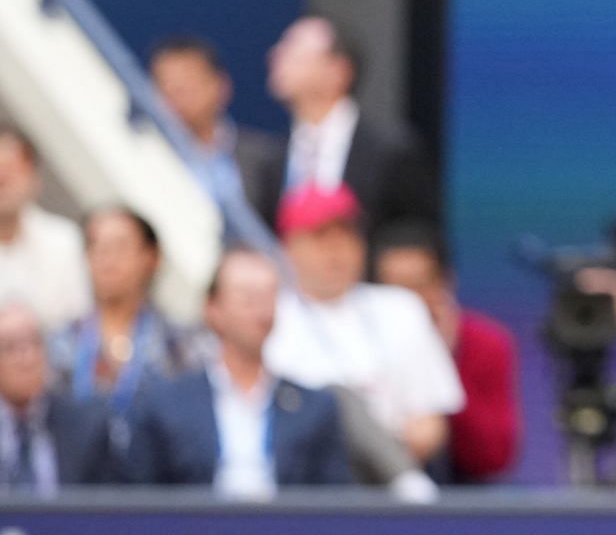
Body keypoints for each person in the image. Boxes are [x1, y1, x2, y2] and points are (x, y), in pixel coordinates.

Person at [264, 185, 463, 486]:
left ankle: (403, 481)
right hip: (303, 485)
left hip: (386, 480)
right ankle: (407, 484)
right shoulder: (268, 316)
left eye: (346, 236)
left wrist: (377, 450)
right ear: (287, 248)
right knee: (338, 400)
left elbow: (430, 423)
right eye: (320, 238)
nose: (335, 251)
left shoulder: (401, 308)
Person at [126, 247, 352, 494]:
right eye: (248, 298)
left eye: (269, 296)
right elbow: (140, 501)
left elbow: (336, 502)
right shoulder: (164, 403)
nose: (261, 310)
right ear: (213, 308)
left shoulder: (315, 407)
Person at [250, 15, 439, 239]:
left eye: (293, 50)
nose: (275, 55)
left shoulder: (390, 153)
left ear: (338, 70)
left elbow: (419, 241)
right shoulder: (273, 160)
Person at [372, 223, 520, 484]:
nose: (406, 302)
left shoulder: (485, 343)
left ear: (445, 282)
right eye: (393, 288)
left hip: (463, 495)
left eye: (417, 286)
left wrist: (444, 362)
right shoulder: (360, 342)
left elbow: (494, 457)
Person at [47, 208, 196, 432]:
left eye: (119, 247)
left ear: (151, 257)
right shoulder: (60, 342)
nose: (107, 258)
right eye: (96, 247)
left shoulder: (179, 343)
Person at [147, 35, 282, 232]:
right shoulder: (146, 159)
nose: (176, 93)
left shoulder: (265, 156)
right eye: (165, 84)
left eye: (187, 81)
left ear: (221, 85)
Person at [0, 303, 118, 494]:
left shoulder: (87, 429)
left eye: (35, 343)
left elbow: (107, 514)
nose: (27, 359)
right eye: (10, 348)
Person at [0, 127, 89, 332]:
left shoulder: (65, 241)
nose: (2, 182)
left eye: (10, 170)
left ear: (34, 177)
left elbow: (77, 323)